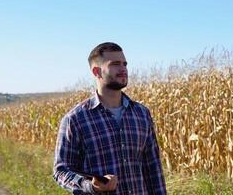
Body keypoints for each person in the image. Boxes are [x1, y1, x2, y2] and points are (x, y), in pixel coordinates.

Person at [53, 42, 167, 194]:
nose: (123, 69)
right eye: (115, 64)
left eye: (124, 64)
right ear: (96, 71)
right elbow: (61, 170)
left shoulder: (141, 114)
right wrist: (89, 186)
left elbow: (153, 168)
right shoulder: (76, 119)